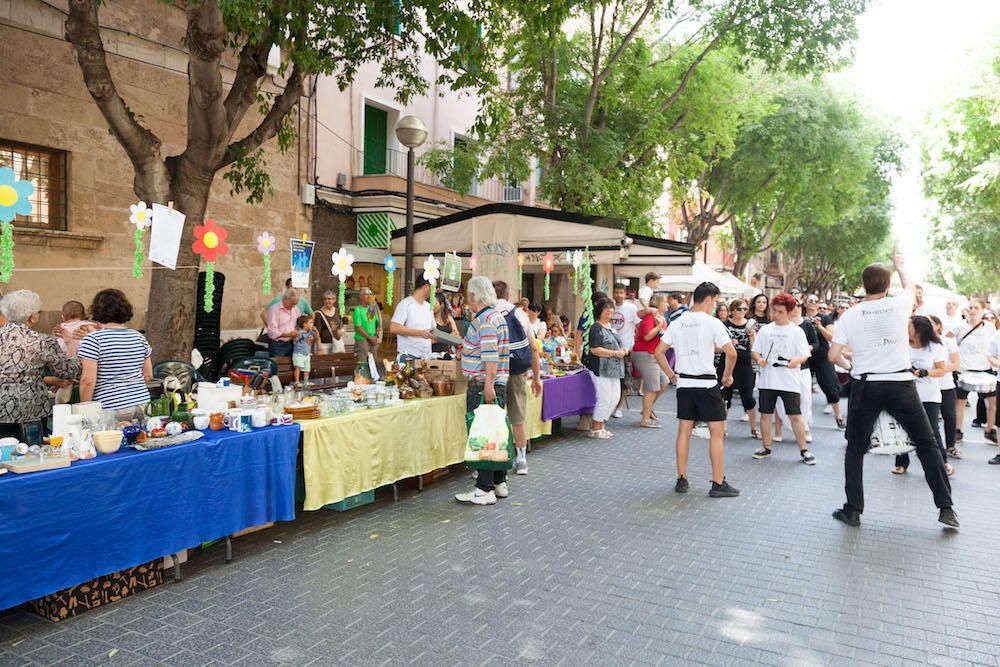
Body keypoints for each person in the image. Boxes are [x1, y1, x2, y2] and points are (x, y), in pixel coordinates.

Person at [828, 249, 957, 528]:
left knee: (855, 449)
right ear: (888, 285)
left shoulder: (850, 315)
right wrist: (900, 265)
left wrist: (851, 367)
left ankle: (853, 510)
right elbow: (910, 286)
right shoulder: (900, 305)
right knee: (926, 443)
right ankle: (946, 508)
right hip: (901, 383)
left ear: (864, 285)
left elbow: (832, 355)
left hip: (866, 384)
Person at [661, 282, 739, 497]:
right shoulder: (712, 323)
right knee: (716, 433)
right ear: (708, 300)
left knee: (684, 431)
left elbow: (659, 351)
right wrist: (727, 375)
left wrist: (671, 375)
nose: (714, 306)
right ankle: (717, 482)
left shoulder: (678, 322)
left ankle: (682, 478)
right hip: (706, 384)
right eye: (714, 301)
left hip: (685, 384)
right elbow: (731, 353)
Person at [455, 277, 511, 506]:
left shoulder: (485, 320)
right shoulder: (496, 316)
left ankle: (483, 489)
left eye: (469, 295)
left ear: (475, 296)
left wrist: (488, 385)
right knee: (495, 434)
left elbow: (490, 355)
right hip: (495, 384)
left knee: (483, 436)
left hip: (483, 386)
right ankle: (499, 482)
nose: (467, 300)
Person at [0, 290, 80, 440]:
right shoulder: (41, 341)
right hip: (31, 410)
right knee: (32, 457)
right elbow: (69, 371)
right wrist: (70, 344)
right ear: (32, 316)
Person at [751, 293, 816, 465]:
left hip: (789, 381)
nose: (776, 314)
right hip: (768, 380)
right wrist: (759, 359)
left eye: (780, 311)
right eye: (774, 311)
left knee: (795, 416)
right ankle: (766, 446)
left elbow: (805, 354)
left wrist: (796, 361)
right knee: (765, 414)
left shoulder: (797, 331)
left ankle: (804, 450)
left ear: (788, 311)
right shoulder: (765, 330)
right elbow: (755, 351)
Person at [78, 289, 153, 418]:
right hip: (142, 403)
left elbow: (88, 381)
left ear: (96, 310)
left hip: (110, 407)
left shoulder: (93, 339)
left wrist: (85, 409)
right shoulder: (139, 337)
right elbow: (148, 375)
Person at [494, 281, 542, 474]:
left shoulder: (487, 313)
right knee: (518, 416)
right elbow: (533, 348)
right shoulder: (520, 314)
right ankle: (521, 459)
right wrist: (537, 377)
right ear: (507, 294)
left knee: (494, 415)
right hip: (517, 370)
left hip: (495, 370)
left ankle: (493, 460)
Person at [894, 316, 952, 475]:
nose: (906, 329)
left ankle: (943, 462)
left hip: (929, 394)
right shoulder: (902, 344)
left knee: (931, 429)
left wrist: (926, 372)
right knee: (903, 428)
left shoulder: (935, 346)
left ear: (919, 330)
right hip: (905, 393)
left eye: (909, 327)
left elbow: (942, 370)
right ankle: (901, 462)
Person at [950, 298, 995, 443]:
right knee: (960, 402)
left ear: (983, 310)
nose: (973, 311)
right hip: (964, 369)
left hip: (984, 369)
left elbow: (993, 347)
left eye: (976, 308)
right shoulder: (960, 326)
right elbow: (945, 341)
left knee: (993, 402)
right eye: (971, 307)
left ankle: (990, 430)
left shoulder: (990, 327)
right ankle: (958, 431)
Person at [632, 294, 677, 428]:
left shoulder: (661, 317)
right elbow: (646, 336)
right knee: (651, 388)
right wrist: (658, 327)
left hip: (654, 355)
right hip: (645, 354)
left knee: (664, 383)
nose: (667, 304)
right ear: (658, 303)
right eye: (665, 301)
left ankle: (647, 408)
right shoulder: (651, 316)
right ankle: (645, 420)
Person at [586, 297, 627, 439]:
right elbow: (595, 349)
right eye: (606, 308)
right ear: (600, 311)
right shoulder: (596, 327)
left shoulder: (612, 328)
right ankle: (595, 428)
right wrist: (615, 353)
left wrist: (623, 350)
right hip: (601, 369)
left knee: (614, 398)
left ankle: (602, 425)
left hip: (615, 370)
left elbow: (619, 344)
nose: (610, 310)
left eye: (611, 308)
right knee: (604, 398)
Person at [805, 295, 846, 428]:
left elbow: (832, 337)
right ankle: (802, 419)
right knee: (802, 388)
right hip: (804, 356)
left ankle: (839, 416)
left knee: (830, 386)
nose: (814, 303)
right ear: (805, 303)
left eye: (816, 301)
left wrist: (820, 327)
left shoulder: (824, 318)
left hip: (822, 356)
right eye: (810, 301)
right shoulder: (800, 318)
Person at [722, 299, 758, 437]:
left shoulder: (750, 326)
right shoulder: (724, 325)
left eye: (744, 309)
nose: (742, 312)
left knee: (748, 397)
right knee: (726, 396)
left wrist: (752, 336)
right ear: (732, 310)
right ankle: (723, 427)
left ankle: (754, 428)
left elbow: (754, 349)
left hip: (745, 364)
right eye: (739, 309)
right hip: (728, 363)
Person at [930, 315, 962, 460]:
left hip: (946, 385)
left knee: (949, 416)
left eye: (931, 323)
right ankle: (930, 447)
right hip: (929, 386)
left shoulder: (948, 342)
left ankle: (950, 446)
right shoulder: (922, 342)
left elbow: (956, 363)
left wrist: (941, 371)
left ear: (938, 325)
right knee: (930, 420)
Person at [611, 284, 641, 418]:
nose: (619, 295)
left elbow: (639, 326)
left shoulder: (631, 308)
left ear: (625, 294)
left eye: (621, 292)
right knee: (611, 379)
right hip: (609, 350)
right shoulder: (608, 307)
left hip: (626, 350)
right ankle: (610, 404)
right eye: (616, 292)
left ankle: (619, 407)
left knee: (624, 380)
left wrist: (634, 346)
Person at [389, 276, 436, 361]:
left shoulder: (429, 307)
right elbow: (394, 328)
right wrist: (420, 333)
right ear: (426, 287)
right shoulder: (405, 304)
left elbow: (432, 331)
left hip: (426, 356)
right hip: (408, 356)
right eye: (434, 288)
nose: (435, 291)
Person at [265, 288, 302, 357]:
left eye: (295, 304)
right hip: (277, 345)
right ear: (285, 299)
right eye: (291, 304)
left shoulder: (296, 309)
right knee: (278, 366)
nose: (293, 306)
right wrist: (288, 334)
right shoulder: (274, 310)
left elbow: (298, 325)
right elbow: (272, 331)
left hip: (292, 343)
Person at [351, 287, 382, 366]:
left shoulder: (371, 308)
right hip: (362, 340)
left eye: (370, 295)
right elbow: (359, 328)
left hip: (373, 339)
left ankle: (372, 378)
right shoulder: (358, 310)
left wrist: (376, 336)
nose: (369, 297)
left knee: (373, 364)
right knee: (362, 364)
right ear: (361, 297)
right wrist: (370, 338)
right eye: (366, 294)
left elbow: (376, 323)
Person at [292, 314, 317, 384]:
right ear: (305, 324)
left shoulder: (310, 332)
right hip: (299, 353)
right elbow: (295, 340)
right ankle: (297, 381)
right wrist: (296, 337)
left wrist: (315, 330)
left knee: (307, 369)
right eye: (310, 323)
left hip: (307, 353)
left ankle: (306, 381)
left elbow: (316, 336)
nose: (312, 324)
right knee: (298, 367)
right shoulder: (301, 332)